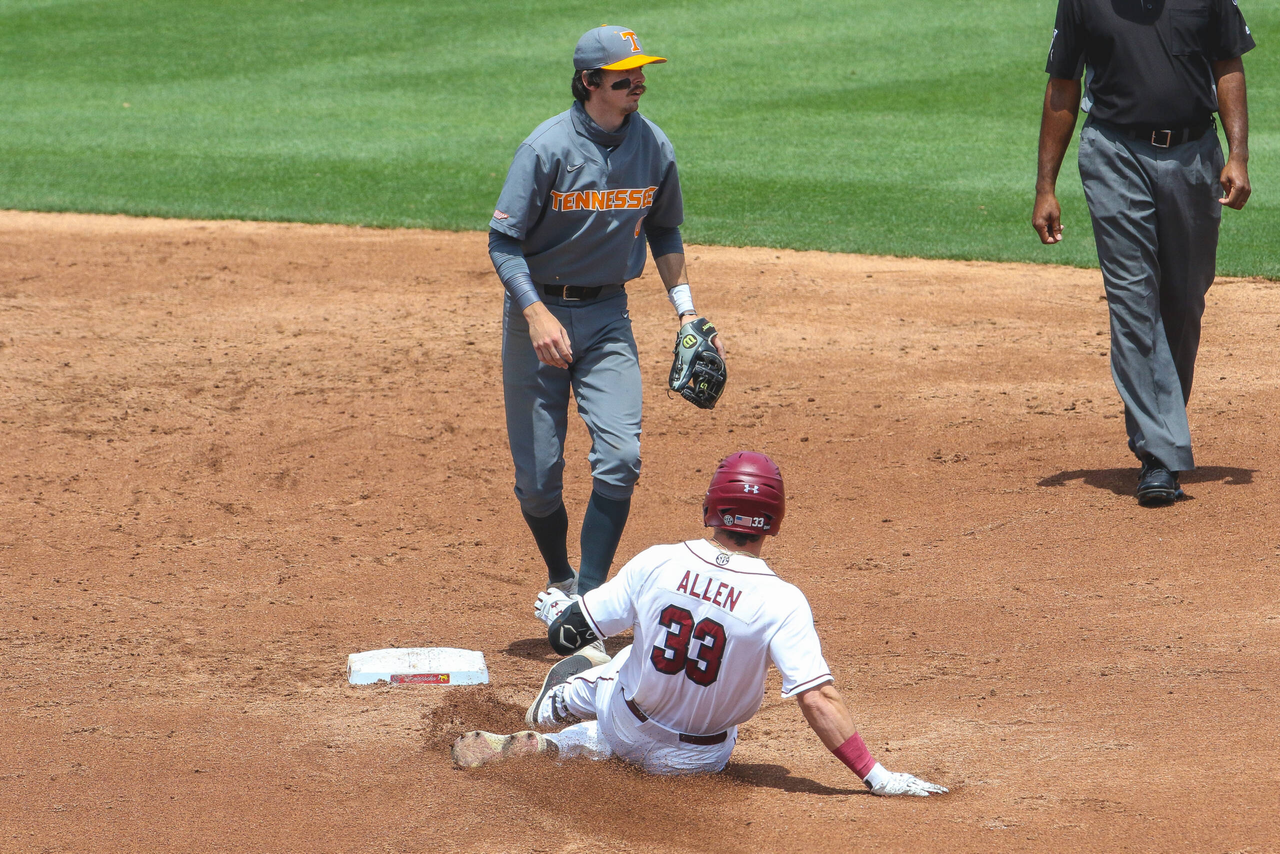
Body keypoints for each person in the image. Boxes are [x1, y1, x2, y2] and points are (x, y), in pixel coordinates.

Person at [450, 452, 948, 797]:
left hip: (627, 723)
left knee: (622, 662)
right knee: (656, 696)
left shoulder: (659, 562)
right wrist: (877, 776)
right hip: (696, 762)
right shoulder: (783, 600)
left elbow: (567, 635)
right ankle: (560, 745)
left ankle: (551, 715)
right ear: (773, 519)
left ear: (714, 507)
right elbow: (818, 698)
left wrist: (562, 612)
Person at [488, 25, 725, 620]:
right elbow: (503, 241)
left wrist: (686, 311)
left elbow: (664, 228)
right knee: (539, 479)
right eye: (625, 75)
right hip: (536, 318)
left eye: (642, 71)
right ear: (591, 82)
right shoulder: (544, 149)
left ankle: (585, 596)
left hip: (606, 317)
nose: (638, 81)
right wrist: (535, 311)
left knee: (620, 457)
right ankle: (558, 574)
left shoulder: (653, 145)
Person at [1032, 0, 1254, 506]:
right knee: (1133, 302)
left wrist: (1238, 153)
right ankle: (1160, 454)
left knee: (1183, 299)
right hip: (1113, 153)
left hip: (1195, 154)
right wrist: (1046, 185)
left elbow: (1228, 64)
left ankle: (1161, 432)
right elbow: (1063, 84)